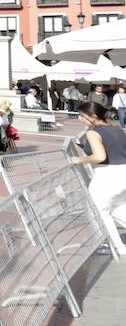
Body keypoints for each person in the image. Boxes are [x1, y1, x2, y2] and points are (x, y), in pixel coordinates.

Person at [72, 102, 126, 250]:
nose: (79, 119)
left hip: (107, 175)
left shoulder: (93, 132)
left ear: (94, 117)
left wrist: (80, 159)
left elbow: (99, 156)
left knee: (98, 211)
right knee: (118, 208)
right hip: (123, 173)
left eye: (82, 116)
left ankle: (116, 247)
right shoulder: (118, 129)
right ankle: (116, 246)